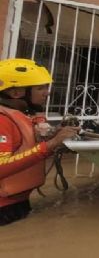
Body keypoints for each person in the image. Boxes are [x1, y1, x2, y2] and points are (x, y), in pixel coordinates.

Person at [0, 58, 80, 226]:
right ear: (16, 93)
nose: (47, 92)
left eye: (47, 87)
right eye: (40, 88)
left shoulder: (23, 116)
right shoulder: (2, 120)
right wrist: (50, 144)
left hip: (16, 204)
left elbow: (26, 152)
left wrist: (56, 141)